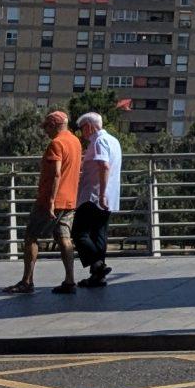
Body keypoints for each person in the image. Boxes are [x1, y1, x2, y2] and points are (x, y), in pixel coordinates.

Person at [9, 109, 81, 294]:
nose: (45, 131)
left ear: (55, 125)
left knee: (31, 237)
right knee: (64, 238)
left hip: (51, 201)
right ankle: (70, 281)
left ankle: (27, 282)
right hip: (69, 200)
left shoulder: (56, 144)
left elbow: (56, 173)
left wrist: (50, 201)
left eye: (47, 127)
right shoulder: (75, 141)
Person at [74, 110, 123, 288]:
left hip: (94, 196)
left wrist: (101, 194)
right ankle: (97, 276)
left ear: (89, 126)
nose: (81, 133)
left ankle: (98, 265)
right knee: (99, 234)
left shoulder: (99, 141)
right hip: (108, 196)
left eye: (82, 128)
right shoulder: (114, 141)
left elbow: (104, 165)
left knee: (78, 233)